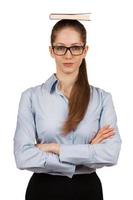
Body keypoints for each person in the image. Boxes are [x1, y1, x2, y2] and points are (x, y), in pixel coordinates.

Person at [13, 19, 122, 200]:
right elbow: (23, 157)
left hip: (88, 191)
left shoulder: (102, 99)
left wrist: (54, 148)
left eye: (76, 47)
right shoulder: (31, 97)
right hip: (43, 191)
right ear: (51, 51)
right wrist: (86, 152)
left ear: (85, 50)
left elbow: (111, 154)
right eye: (61, 47)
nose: (68, 55)